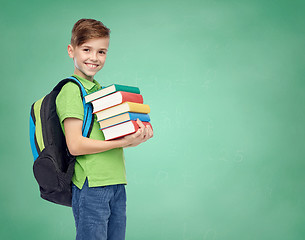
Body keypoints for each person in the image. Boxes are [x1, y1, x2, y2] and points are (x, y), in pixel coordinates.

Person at [56, 18, 153, 240]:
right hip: (92, 185)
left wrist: (136, 135)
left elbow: (106, 133)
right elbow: (75, 145)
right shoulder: (72, 91)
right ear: (72, 50)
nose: (94, 57)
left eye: (102, 52)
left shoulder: (99, 90)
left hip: (116, 181)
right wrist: (122, 143)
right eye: (87, 49)